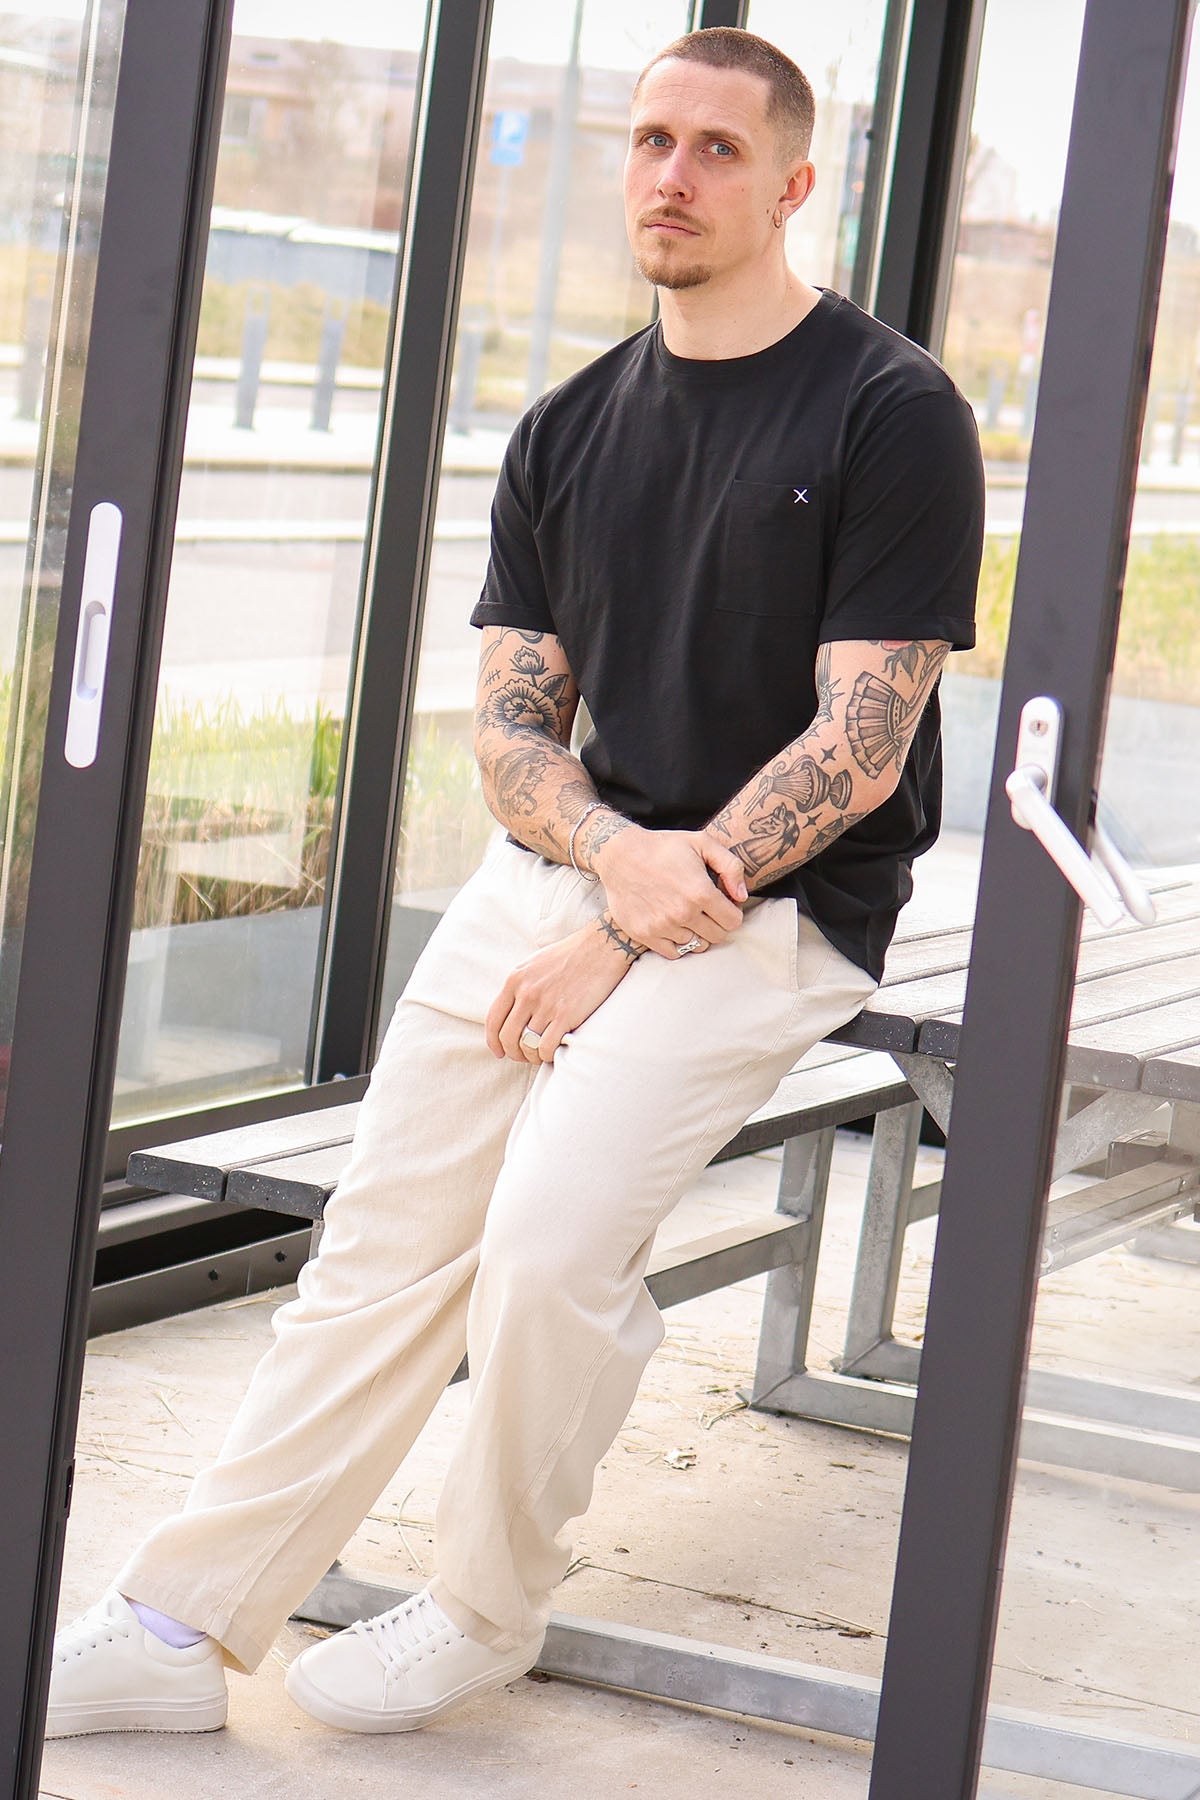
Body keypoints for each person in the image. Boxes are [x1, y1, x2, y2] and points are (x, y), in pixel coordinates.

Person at [47, 26, 982, 1740]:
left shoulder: (890, 408)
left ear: (794, 183)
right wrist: (610, 866)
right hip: (577, 866)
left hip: (780, 907)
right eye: (649, 139)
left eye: (716, 148)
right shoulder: (568, 426)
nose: (670, 175)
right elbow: (508, 732)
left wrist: (634, 915)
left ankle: (485, 1607)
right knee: (383, 1238)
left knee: (545, 1250)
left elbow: (860, 746)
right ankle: (180, 1627)